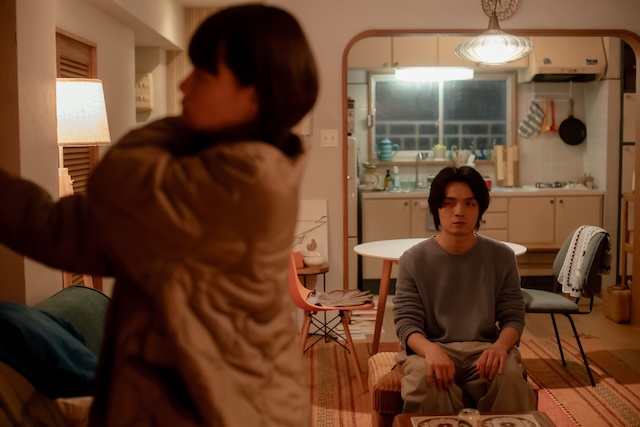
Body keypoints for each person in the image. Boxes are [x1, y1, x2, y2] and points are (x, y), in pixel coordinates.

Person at [0, 4, 318, 427]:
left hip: (223, 409)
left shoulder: (241, 185)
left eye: (201, 75)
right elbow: (70, 233)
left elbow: (118, 180)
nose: (184, 85)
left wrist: (182, 125)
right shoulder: (215, 172)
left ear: (253, 96)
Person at [393, 166, 536, 414]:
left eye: (469, 203)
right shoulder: (413, 260)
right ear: (437, 208)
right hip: (430, 349)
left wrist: (500, 346)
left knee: (510, 377)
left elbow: (514, 316)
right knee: (425, 382)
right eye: (449, 203)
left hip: (484, 349)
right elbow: (406, 323)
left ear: (480, 208)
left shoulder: (502, 256)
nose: (459, 211)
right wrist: (431, 350)